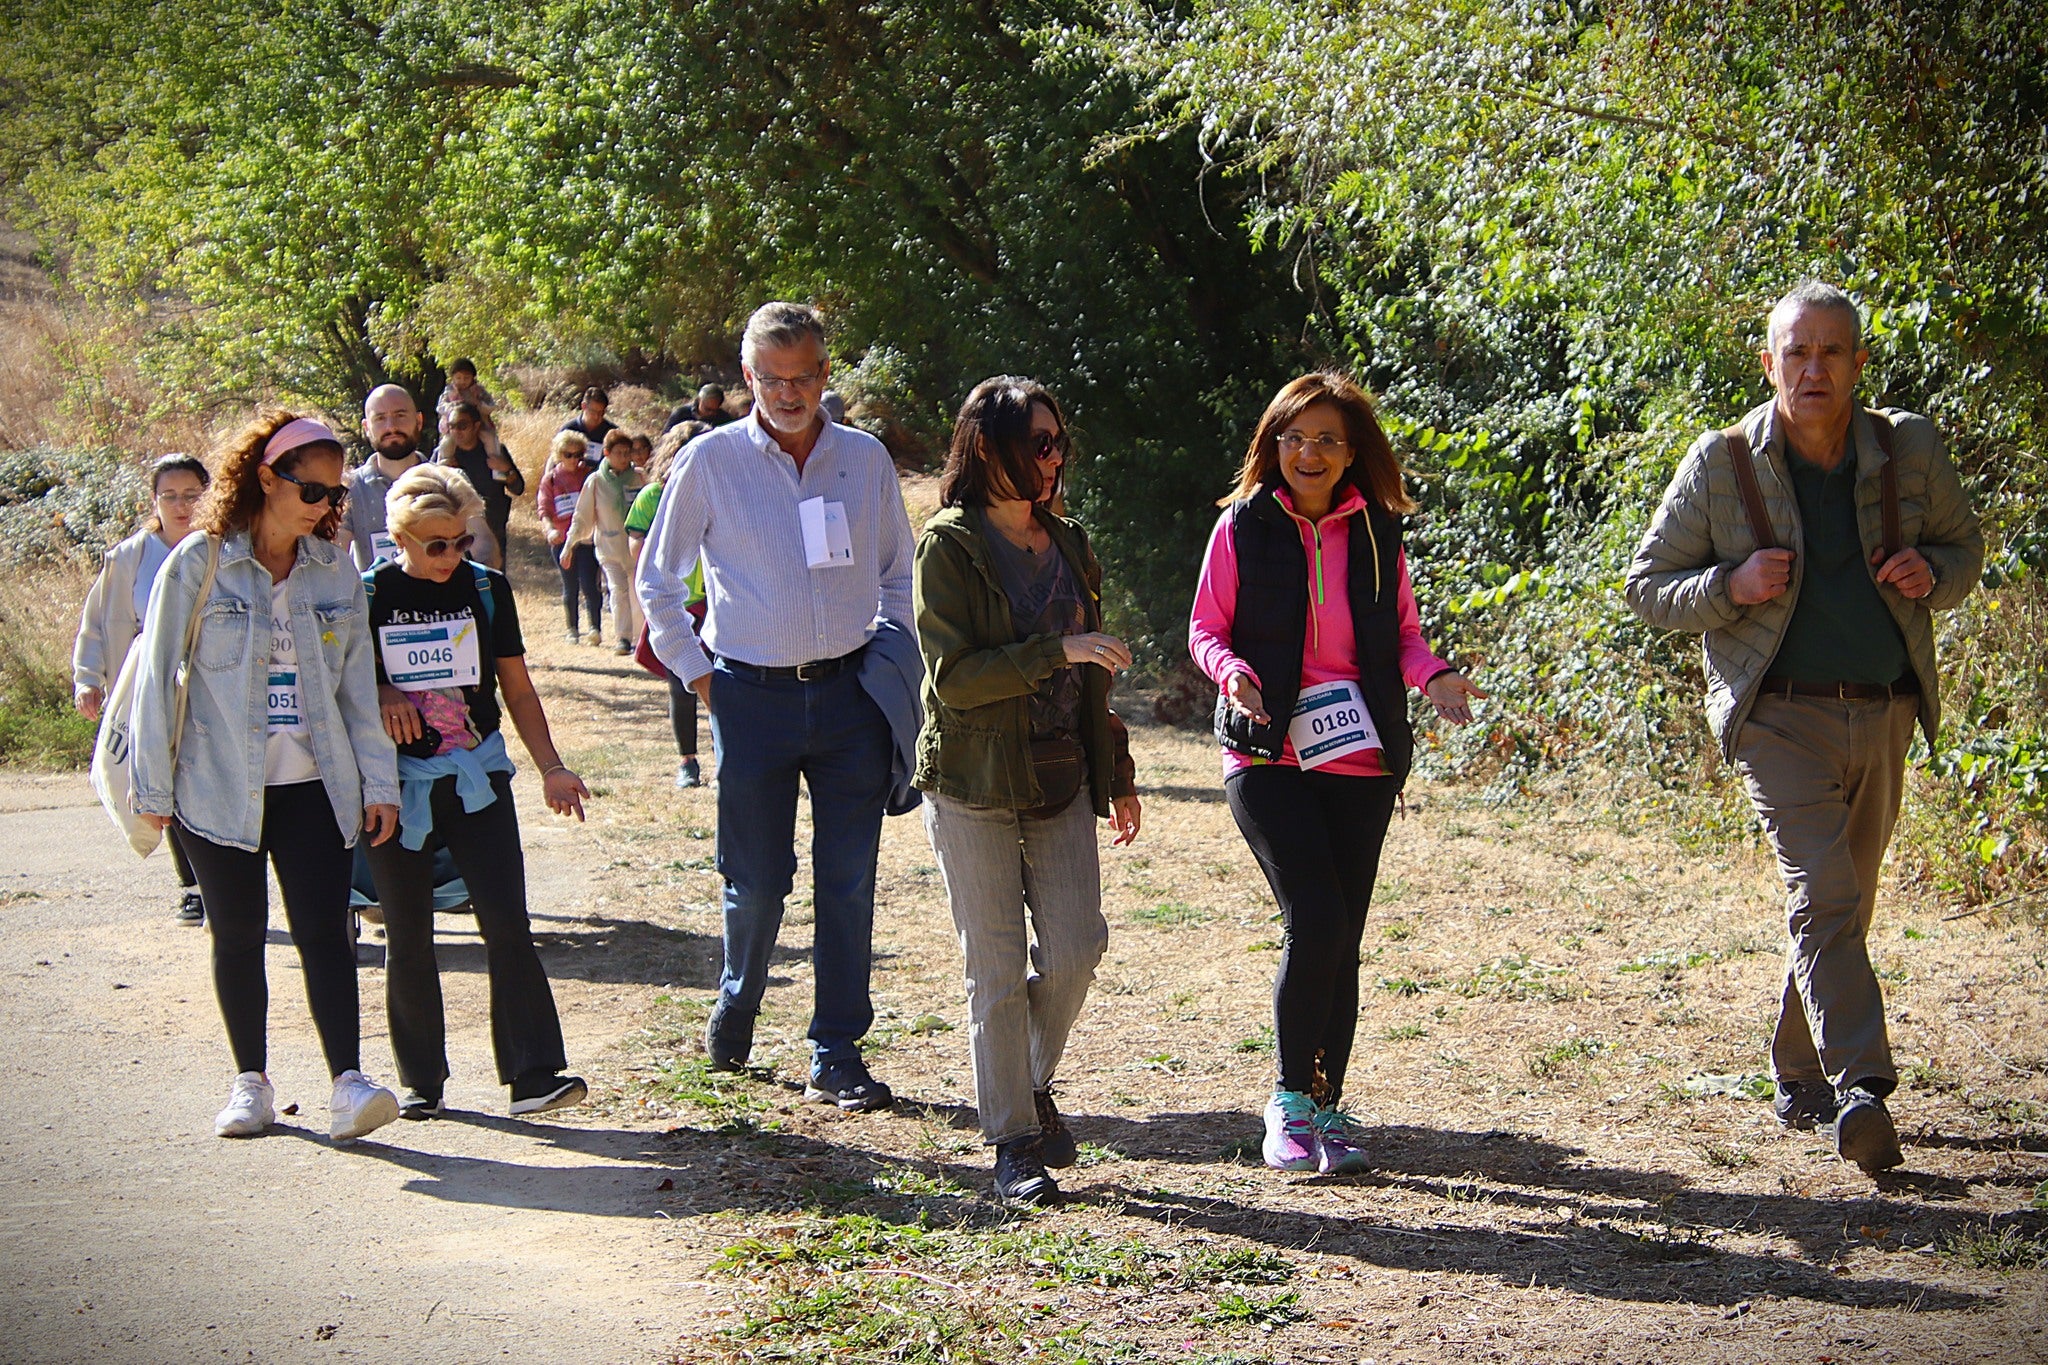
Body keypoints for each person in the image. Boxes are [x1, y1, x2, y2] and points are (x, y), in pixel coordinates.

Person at [1624, 282, 1983, 1176]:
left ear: (1859, 364)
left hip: (1886, 707)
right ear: (1770, 362)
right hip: (1777, 714)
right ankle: (1862, 1085)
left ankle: (1796, 1068)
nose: (1814, 368)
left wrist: (1930, 571)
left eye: (1832, 352)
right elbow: (1645, 586)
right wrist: (1729, 587)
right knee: (1825, 890)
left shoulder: (1909, 449)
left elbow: (1964, 549)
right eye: (1798, 352)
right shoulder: (1720, 462)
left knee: (1839, 902)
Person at [1189, 371, 1485, 1175]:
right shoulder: (1243, 528)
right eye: (1292, 437)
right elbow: (1205, 627)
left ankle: (1327, 1107)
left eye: (1325, 439)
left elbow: (1405, 638)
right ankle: (1287, 1104)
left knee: (1342, 935)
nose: (1307, 452)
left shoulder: (1379, 533)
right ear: (1272, 444)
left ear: (1352, 452)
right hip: (1266, 748)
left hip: (1361, 755)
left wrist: (1437, 678)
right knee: (1315, 913)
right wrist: (1233, 673)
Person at [637, 301, 918, 1111]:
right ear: (746, 376)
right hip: (748, 697)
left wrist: (891, 654)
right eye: (770, 378)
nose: (787, 393)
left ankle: (835, 1047)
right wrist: (700, 678)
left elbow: (899, 572)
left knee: (848, 880)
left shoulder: (863, 461)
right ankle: (739, 999)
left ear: (826, 375)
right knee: (757, 882)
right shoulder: (712, 462)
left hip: (850, 697)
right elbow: (658, 581)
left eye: (802, 377)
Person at [127, 409, 403, 1142]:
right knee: (239, 931)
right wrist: (152, 791)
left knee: (326, 930)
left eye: (335, 497)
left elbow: (355, 685)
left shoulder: (333, 568)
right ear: (266, 479)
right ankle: (250, 1082)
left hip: (314, 782)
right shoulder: (199, 562)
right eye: (313, 493)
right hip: (216, 784)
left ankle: (348, 1082)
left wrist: (379, 781)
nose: (326, 509)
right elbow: (157, 680)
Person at [914, 377, 1142, 1204]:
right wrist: (1058, 649)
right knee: (997, 966)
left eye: (1058, 444)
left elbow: (1093, 682)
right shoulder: (951, 545)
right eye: (1036, 444)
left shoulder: (1071, 542)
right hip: (973, 778)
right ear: (988, 448)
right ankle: (1012, 1140)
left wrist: (1116, 771)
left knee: (1079, 946)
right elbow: (953, 682)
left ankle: (1028, 1079)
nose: (1052, 459)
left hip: (1058, 775)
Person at [363, 464, 593, 1119]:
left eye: (460, 541)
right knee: (407, 933)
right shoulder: (369, 593)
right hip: (395, 785)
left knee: (506, 922)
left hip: (476, 777)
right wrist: (381, 691)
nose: (450, 556)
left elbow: (516, 689)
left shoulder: (488, 590)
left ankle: (533, 1074)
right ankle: (421, 1083)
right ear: (400, 538)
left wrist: (551, 766)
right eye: (435, 544)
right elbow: (342, 684)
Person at [73, 453, 212, 924]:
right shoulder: (131, 556)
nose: (181, 505)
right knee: (162, 781)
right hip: (147, 687)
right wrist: (88, 678)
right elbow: (97, 623)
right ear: (154, 500)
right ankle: (192, 886)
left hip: (210, 683)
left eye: (191, 495)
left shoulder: (224, 548)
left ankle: (223, 880)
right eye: (169, 496)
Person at [627, 422, 711, 787]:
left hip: (716, 604)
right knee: (681, 682)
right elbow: (636, 547)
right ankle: (688, 762)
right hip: (675, 604)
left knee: (728, 682)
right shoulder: (652, 496)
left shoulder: (721, 492)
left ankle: (728, 754)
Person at [341, 384, 496, 573]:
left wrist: (484, 582)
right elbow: (335, 554)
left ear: (419, 421)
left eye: (400, 415)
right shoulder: (349, 489)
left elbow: (483, 544)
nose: (392, 427)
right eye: (380, 418)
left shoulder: (451, 480)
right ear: (366, 427)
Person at [561, 428, 647, 654]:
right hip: (609, 547)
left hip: (636, 548)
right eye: (618, 452)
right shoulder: (596, 481)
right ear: (606, 453)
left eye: (627, 452)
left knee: (637, 591)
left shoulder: (640, 478)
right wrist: (569, 544)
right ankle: (623, 638)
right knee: (618, 590)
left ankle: (640, 639)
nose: (623, 457)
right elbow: (582, 516)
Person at [438, 401, 524, 572]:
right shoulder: (445, 455)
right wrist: (444, 470)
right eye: (452, 426)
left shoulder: (493, 450)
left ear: (476, 426)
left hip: (493, 525)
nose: (457, 431)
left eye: (462, 425)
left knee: (494, 580)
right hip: (457, 528)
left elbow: (518, 488)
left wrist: (506, 469)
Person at [538, 430, 604, 644]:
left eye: (578, 455)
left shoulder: (589, 476)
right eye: (568, 455)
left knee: (589, 583)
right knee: (570, 586)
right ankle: (572, 629)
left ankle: (595, 627)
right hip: (561, 539)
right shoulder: (551, 480)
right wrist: (550, 530)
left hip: (585, 539)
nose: (574, 460)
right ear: (558, 454)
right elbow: (544, 509)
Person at [435, 358, 502, 457]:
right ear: (452, 378)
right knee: (445, 444)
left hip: (477, 426)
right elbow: (440, 407)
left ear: (473, 378)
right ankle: (442, 465)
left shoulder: (479, 391)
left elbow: (491, 407)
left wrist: (477, 403)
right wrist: (452, 407)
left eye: (466, 378)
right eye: (458, 378)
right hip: (454, 427)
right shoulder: (449, 391)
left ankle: (496, 466)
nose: (462, 381)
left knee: (490, 439)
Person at [664, 384, 732, 433]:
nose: (710, 413)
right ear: (699, 400)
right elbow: (666, 438)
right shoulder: (681, 414)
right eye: (707, 409)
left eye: (714, 410)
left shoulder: (723, 418)